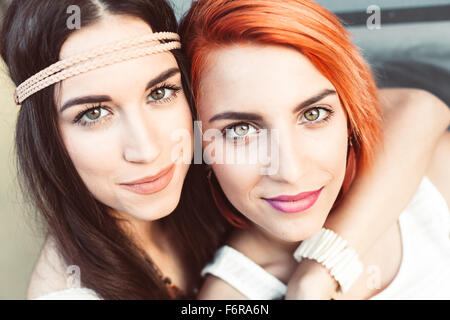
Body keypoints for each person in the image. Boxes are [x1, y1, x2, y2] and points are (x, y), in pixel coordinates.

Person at [180, 0, 450, 299]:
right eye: (241, 130)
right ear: (197, 144)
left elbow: (419, 107)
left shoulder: (432, 176)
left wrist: (324, 267)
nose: (290, 171)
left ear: (350, 116)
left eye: (313, 114)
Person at [1, 0, 228, 300]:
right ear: (46, 137)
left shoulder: (221, 199)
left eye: (160, 93)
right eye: (93, 113)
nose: (145, 150)